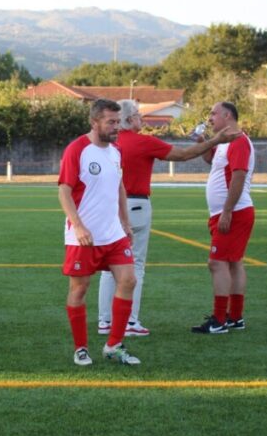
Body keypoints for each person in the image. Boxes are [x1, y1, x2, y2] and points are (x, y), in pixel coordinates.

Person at [97, 100, 239, 336]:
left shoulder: (107, 143)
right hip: (136, 205)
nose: (142, 120)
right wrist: (214, 141)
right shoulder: (143, 142)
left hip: (109, 206)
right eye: (139, 117)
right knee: (135, 265)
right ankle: (130, 321)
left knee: (108, 267)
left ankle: (105, 321)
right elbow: (183, 155)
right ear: (130, 119)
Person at [58, 99, 140, 366]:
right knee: (80, 289)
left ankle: (113, 345)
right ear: (95, 122)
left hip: (113, 234)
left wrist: (125, 222)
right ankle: (81, 348)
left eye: (119, 121)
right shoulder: (77, 150)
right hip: (83, 235)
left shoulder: (115, 152)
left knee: (128, 280)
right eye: (111, 122)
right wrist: (78, 225)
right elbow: (64, 191)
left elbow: (119, 187)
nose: (117, 127)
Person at [191, 101, 256, 334]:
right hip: (228, 211)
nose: (210, 118)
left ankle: (219, 320)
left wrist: (227, 210)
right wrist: (202, 143)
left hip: (234, 212)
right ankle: (235, 317)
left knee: (216, 263)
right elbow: (211, 160)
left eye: (214, 114)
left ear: (227, 115)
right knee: (233, 262)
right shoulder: (226, 141)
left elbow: (238, 175)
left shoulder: (238, 140)